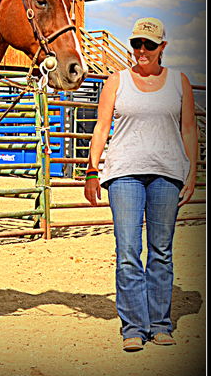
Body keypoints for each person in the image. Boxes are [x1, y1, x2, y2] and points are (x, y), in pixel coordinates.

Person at [84, 17, 198, 352]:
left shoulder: (180, 81)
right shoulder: (116, 81)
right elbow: (101, 126)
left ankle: (160, 324)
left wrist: (191, 171)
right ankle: (134, 327)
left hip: (167, 173)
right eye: (137, 44)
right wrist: (92, 171)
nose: (141, 51)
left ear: (163, 46)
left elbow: (188, 128)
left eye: (149, 44)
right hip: (123, 174)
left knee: (161, 251)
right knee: (129, 250)